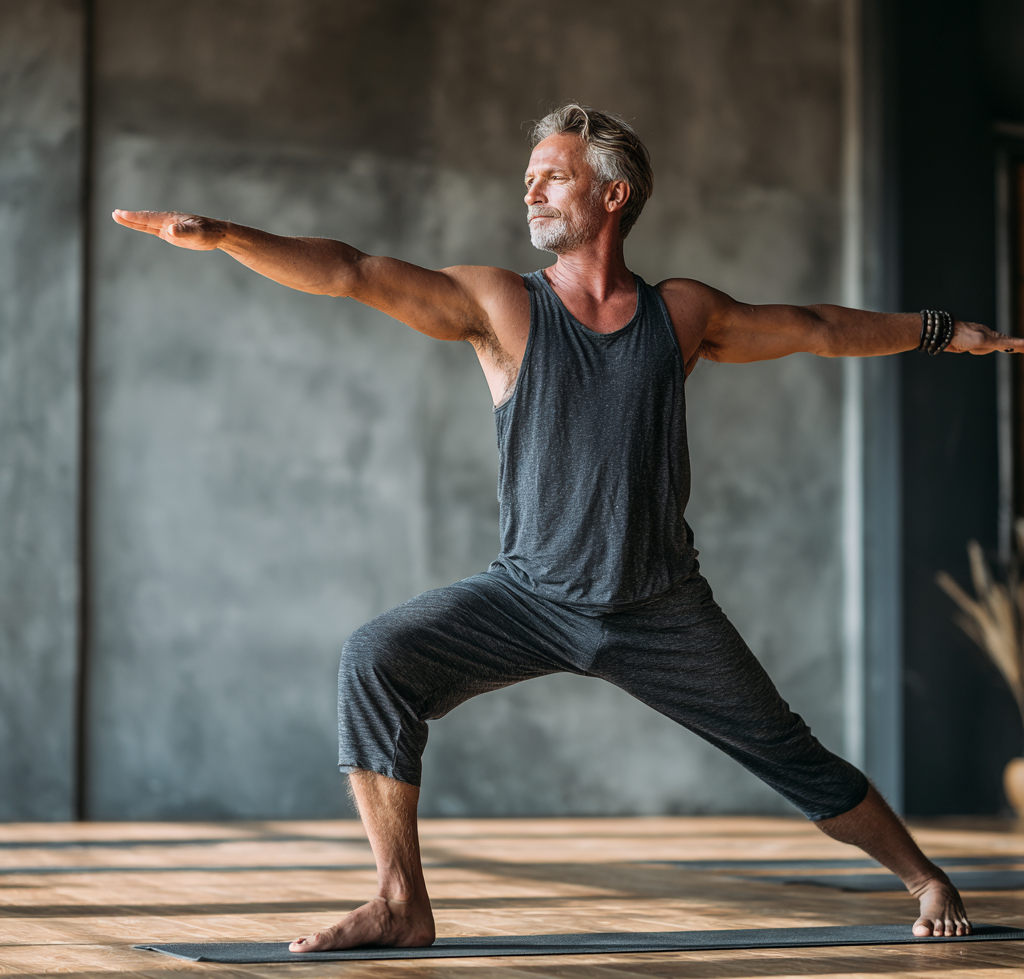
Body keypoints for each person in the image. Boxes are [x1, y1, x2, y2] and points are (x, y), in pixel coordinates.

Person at [114, 104, 1021, 953]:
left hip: (661, 606)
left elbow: (819, 326)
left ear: (613, 195)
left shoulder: (682, 314)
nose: (530, 190)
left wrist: (939, 332)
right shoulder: (503, 304)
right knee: (375, 657)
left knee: (787, 750)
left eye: (552, 175)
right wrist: (226, 234)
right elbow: (353, 271)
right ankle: (400, 901)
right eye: (530, 177)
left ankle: (924, 879)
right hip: (529, 596)